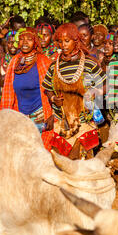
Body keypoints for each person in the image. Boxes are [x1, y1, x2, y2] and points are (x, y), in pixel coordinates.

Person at [42, 23, 106, 159]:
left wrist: (94, 93)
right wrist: (53, 99)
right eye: (60, 41)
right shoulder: (54, 66)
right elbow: (47, 88)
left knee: (81, 166)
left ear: (75, 41)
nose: (63, 45)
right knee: (61, 166)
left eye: (67, 41)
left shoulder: (89, 63)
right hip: (61, 124)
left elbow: (106, 84)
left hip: (84, 123)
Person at [0, 27, 53, 150]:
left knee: (41, 156)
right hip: (20, 118)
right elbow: (8, 91)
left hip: (41, 117)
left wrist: (53, 115)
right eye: (22, 39)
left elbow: (55, 91)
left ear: (35, 42)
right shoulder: (14, 62)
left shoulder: (44, 62)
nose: (24, 43)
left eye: (29, 39)